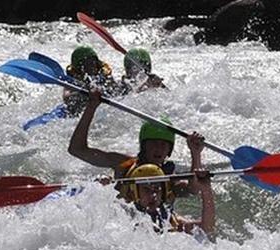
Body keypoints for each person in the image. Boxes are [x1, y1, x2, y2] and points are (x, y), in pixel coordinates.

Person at [68, 90, 215, 239]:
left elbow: (195, 188)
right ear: (143, 146)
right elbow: (77, 149)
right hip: (124, 225)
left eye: (163, 145)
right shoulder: (123, 165)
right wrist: (91, 106)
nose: (158, 148)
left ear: (169, 150)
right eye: (153, 143)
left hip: (158, 226)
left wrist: (195, 153)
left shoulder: (168, 179)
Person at [63, 45, 120, 116]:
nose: (91, 66)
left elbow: (116, 90)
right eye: (85, 64)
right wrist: (85, 90)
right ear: (78, 68)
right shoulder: (72, 80)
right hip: (80, 111)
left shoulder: (104, 75)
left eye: (92, 61)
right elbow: (67, 97)